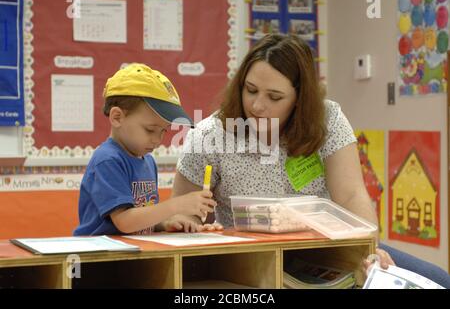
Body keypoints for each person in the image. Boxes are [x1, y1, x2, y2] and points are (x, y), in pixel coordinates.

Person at [170, 34, 450, 288]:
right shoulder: (211, 133)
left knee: (438, 280)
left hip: (327, 249)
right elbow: (182, 209)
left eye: (274, 97)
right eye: (250, 90)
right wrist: (190, 223)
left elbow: (351, 195)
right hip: (248, 257)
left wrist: (368, 248)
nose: (257, 105)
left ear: (299, 100)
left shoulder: (327, 120)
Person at [74, 63, 216, 236]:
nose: (157, 140)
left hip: (134, 251)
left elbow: (141, 219)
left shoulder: (147, 161)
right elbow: (125, 222)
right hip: (100, 257)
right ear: (117, 117)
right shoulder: (108, 160)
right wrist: (177, 204)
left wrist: (166, 223)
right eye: (150, 130)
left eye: (163, 131)